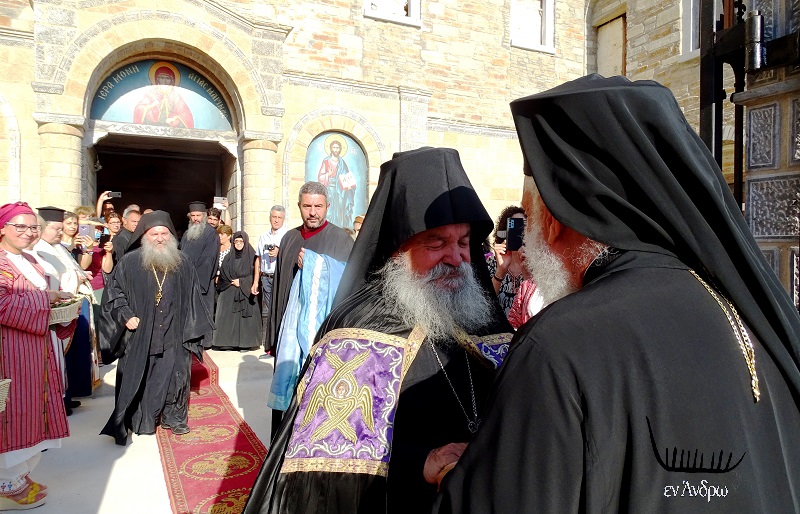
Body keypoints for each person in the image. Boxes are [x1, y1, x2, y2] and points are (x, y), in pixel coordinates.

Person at [434, 75, 800, 512]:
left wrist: (458, 476)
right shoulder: (744, 310)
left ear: (553, 219)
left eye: (529, 215)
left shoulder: (558, 344)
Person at [244, 147, 513, 514]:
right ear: (396, 251)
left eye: (464, 242)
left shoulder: (486, 322)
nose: (456, 258)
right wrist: (419, 461)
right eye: (436, 242)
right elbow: (321, 474)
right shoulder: (354, 334)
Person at [100, 210, 213, 444]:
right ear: (144, 236)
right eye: (154, 234)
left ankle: (175, 417)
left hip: (175, 330)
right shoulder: (130, 262)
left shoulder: (182, 262)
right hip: (144, 332)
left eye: (164, 233)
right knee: (145, 376)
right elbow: (114, 293)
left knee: (176, 376)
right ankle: (145, 419)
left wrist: (194, 327)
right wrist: (126, 315)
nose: (160, 238)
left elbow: (194, 296)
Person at [0, 202, 76, 510]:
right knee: (12, 413)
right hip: (9, 353)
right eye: (20, 226)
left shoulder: (31, 258)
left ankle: (19, 475)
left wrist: (60, 308)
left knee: (33, 409)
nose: (29, 232)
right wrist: (46, 299)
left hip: (37, 351)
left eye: (33, 227)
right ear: (2, 228)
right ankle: (5, 485)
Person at [265, 182, 353, 436]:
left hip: (321, 337)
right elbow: (279, 288)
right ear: (299, 206)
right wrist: (273, 337)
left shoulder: (342, 240)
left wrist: (318, 266)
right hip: (288, 336)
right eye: (307, 206)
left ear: (328, 206)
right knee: (287, 402)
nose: (312, 212)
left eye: (318, 206)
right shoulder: (289, 238)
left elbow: (351, 285)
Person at [179, 201, 219, 347]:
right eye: (193, 216)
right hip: (187, 280)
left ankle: (205, 342)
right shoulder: (187, 233)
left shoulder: (211, 233)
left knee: (204, 310)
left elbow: (209, 259)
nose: (195, 218)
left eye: (198, 215)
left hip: (202, 281)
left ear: (204, 216)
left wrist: (196, 280)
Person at [212, 231, 261, 351]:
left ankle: (246, 344)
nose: (238, 244)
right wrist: (231, 281)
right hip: (229, 287)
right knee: (227, 315)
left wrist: (242, 282)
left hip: (245, 290)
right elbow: (223, 273)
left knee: (245, 320)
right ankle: (227, 343)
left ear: (245, 242)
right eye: (236, 241)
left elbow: (256, 274)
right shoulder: (229, 257)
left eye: (241, 241)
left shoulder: (252, 257)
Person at [255, 205, 287, 354]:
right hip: (266, 277)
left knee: (280, 309)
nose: (276, 220)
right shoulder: (263, 236)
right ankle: (267, 343)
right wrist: (256, 281)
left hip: (280, 277)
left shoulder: (287, 235)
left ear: (283, 219)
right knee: (267, 311)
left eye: (279, 217)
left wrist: (280, 252)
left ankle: (279, 342)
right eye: (274, 217)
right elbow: (258, 259)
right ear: (270, 218)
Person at [489, 205, 527, 316]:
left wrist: (527, 272)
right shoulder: (492, 263)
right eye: (516, 226)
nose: (521, 233)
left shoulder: (537, 265)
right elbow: (486, 302)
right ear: (505, 231)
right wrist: (500, 270)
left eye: (525, 226)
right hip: (499, 325)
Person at [317, 137, 355, 228]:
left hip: (340, 192)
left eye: (337, 148)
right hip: (329, 190)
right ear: (331, 149)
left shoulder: (342, 162)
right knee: (330, 211)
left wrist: (349, 184)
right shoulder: (326, 161)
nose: (336, 150)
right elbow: (320, 177)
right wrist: (328, 174)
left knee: (341, 210)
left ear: (340, 149)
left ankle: (340, 229)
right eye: (334, 147)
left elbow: (346, 177)